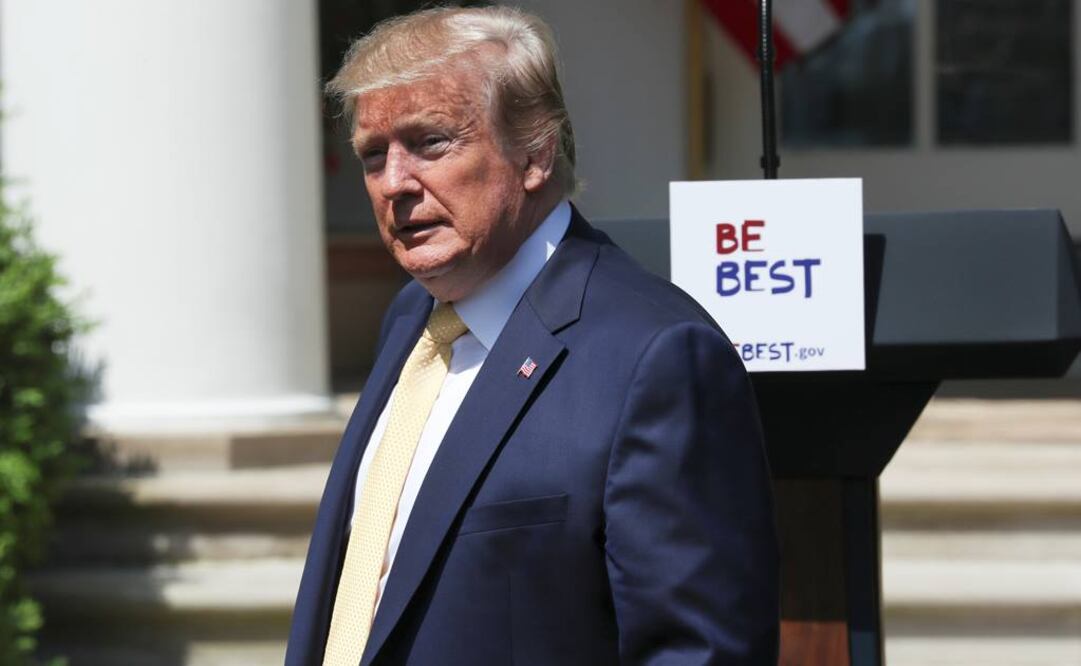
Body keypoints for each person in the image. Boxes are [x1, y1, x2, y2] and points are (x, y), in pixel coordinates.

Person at [287, 6, 778, 665]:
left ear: (534, 154)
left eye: (429, 142)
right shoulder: (412, 320)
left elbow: (699, 651)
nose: (394, 184)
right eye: (373, 156)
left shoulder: (656, 356)